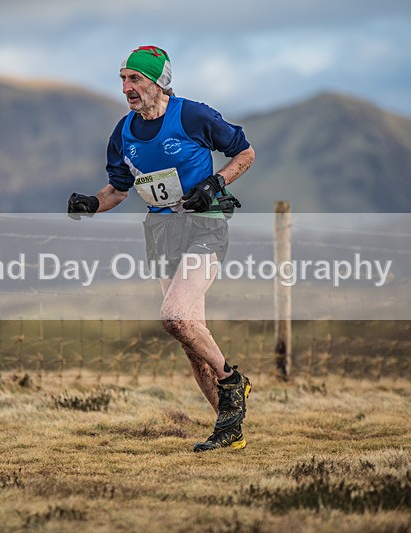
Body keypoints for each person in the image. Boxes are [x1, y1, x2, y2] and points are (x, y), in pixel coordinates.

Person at [67, 45, 256, 452]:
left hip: (204, 226)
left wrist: (215, 183)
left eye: (134, 79)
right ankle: (230, 430)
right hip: (161, 232)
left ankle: (232, 381)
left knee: (174, 316)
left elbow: (244, 152)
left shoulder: (192, 115)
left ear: (158, 81)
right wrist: (91, 204)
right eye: (122, 79)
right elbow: (117, 189)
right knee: (191, 342)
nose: (126, 88)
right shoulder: (123, 132)